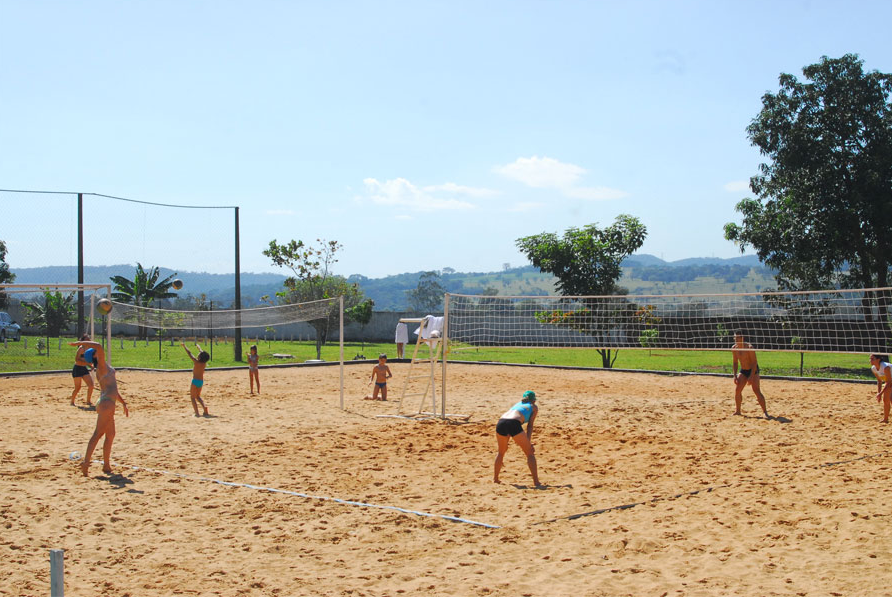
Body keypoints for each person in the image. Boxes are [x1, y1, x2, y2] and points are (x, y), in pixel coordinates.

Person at [69, 340, 129, 477]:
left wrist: (123, 402)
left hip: (109, 402)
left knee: (110, 434)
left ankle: (106, 465)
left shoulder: (103, 367)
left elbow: (113, 387)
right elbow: (98, 346)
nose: (99, 352)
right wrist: (80, 343)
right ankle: (85, 464)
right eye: (96, 353)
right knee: (98, 434)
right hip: (106, 403)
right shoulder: (101, 366)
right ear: (95, 357)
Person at [494, 390, 541, 487]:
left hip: (501, 422)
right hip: (513, 423)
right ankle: (536, 482)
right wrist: (529, 442)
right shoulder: (534, 407)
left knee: (501, 452)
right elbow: (530, 426)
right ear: (533, 400)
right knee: (530, 453)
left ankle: (496, 479)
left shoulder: (517, 404)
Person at [731, 330, 770, 418]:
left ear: (742, 338)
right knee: (737, 390)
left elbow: (754, 362)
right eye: (735, 338)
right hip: (744, 370)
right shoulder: (734, 348)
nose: (736, 339)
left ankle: (765, 412)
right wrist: (734, 375)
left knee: (756, 390)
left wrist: (751, 376)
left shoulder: (749, 347)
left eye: (738, 338)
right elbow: (735, 362)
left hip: (753, 369)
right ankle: (738, 411)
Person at [182, 342, 210, 416]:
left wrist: (185, 346)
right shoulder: (204, 363)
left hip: (195, 381)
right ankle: (205, 408)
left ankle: (197, 413)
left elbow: (189, 353)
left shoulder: (196, 362)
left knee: (192, 397)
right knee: (198, 396)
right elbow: (203, 355)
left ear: (200, 357)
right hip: (201, 381)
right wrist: (199, 348)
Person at [70, 333, 95, 407]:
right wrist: (88, 364)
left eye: (89, 339)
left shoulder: (90, 349)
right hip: (77, 369)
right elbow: (77, 360)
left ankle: (88, 401)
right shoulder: (81, 348)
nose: (88, 341)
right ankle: (72, 401)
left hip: (84, 368)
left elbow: (89, 360)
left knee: (91, 385)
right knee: (78, 387)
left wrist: (91, 365)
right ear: (83, 341)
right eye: (86, 339)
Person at [869, 354, 891, 423]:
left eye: (873, 359)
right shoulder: (873, 368)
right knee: (886, 401)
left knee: (889, 399)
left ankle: (885, 419)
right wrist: (879, 393)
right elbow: (879, 381)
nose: (870, 360)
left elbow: (888, 382)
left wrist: (881, 393)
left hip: (890, 382)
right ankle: (885, 419)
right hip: (889, 382)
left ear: (878, 360)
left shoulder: (885, 367)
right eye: (870, 359)